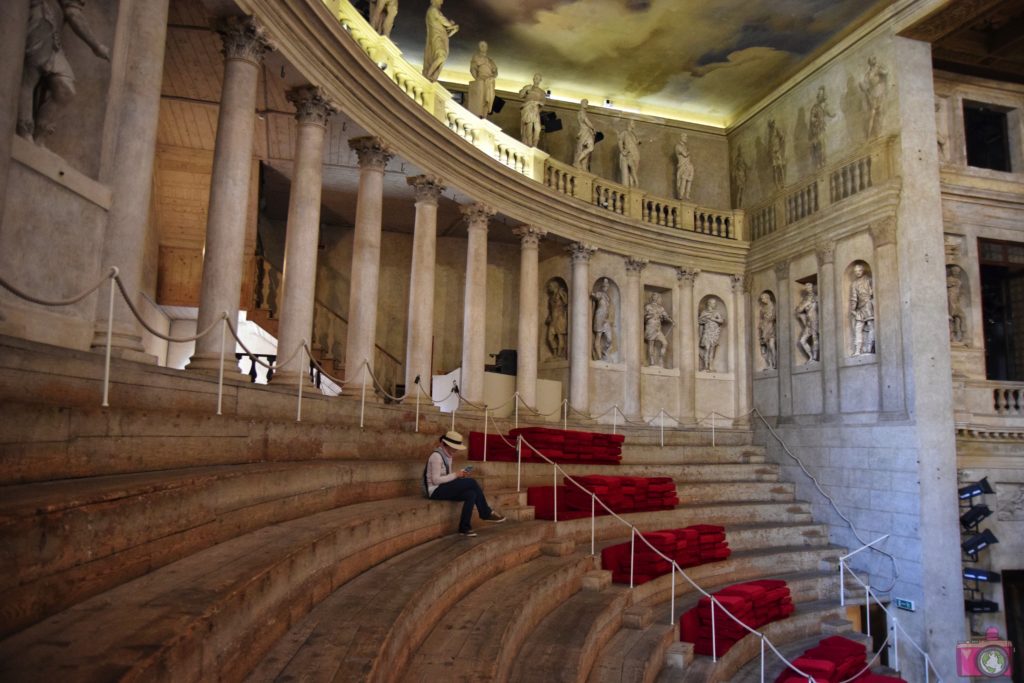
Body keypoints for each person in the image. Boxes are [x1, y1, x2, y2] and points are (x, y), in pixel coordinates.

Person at [18, 0, 111, 146]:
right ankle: (24, 134)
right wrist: (96, 46)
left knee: (65, 90)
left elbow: (72, 10)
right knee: (29, 79)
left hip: (54, 31)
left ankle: (38, 139)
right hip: (41, 19)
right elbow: (73, 13)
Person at [424, 430, 505, 537]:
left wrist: (460, 474)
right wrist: (456, 475)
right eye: (454, 447)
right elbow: (435, 480)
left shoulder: (448, 455)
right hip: (435, 490)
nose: (456, 449)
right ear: (447, 445)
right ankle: (485, 513)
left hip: (443, 487)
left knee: (471, 494)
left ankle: (464, 527)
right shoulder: (436, 457)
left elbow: (447, 475)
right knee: (471, 482)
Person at [422, 0, 458, 83]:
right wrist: (451, 25)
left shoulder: (433, 11)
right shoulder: (433, 10)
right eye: (440, 1)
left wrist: (452, 29)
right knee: (441, 56)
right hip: (436, 37)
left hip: (439, 37)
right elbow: (443, 20)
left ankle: (431, 75)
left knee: (442, 56)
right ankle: (428, 75)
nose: (441, 3)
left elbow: (446, 34)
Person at [860, 56, 889, 139]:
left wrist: (880, 70)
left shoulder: (877, 69)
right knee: (873, 115)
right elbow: (864, 85)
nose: (875, 60)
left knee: (879, 113)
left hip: (879, 92)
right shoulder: (868, 73)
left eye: (875, 59)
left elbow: (886, 72)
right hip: (873, 95)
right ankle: (870, 135)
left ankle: (878, 133)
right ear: (870, 62)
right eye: (873, 59)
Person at [849, 263, 875, 355]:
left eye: (859, 271)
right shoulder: (854, 284)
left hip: (868, 305)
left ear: (863, 270)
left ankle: (869, 348)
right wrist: (853, 309)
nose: (858, 273)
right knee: (857, 328)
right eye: (856, 271)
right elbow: (854, 297)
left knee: (871, 326)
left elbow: (874, 292)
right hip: (860, 308)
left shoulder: (869, 279)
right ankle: (858, 350)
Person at [808, 86, 835, 169]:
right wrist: (817, 121)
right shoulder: (815, 107)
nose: (822, 97)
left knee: (823, 146)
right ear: (818, 98)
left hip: (822, 128)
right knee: (819, 147)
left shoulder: (822, 106)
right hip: (817, 130)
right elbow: (812, 118)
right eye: (820, 96)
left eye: (822, 96)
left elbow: (826, 112)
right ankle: (819, 163)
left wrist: (831, 115)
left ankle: (823, 162)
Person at [468, 41, 497, 118]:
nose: (483, 47)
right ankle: (480, 115)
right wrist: (477, 79)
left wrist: (492, 77)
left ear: (487, 48)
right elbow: (473, 68)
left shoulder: (491, 61)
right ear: (479, 48)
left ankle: (484, 116)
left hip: (490, 81)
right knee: (481, 99)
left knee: (487, 101)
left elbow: (495, 72)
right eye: (481, 46)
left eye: (484, 46)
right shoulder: (476, 57)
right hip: (481, 79)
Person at [644, 292, 673, 367]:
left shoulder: (661, 308)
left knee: (665, 343)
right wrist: (652, 315)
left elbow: (666, 316)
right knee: (651, 344)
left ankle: (661, 359)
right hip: (651, 326)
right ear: (656, 299)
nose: (661, 300)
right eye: (660, 298)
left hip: (658, 328)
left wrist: (671, 321)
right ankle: (652, 362)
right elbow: (645, 317)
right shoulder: (648, 306)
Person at [518, 73, 546, 147]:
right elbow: (520, 96)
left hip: (535, 108)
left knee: (538, 128)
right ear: (533, 79)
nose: (536, 79)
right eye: (535, 77)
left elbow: (543, 102)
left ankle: (535, 143)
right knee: (529, 124)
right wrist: (525, 89)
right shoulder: (528, 87)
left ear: (540, 80)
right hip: (527, 107)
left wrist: (538, 102)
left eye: (538, 78)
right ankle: (529, 143)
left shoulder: (542, 92)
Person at [698, 299, 725, 372]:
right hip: (707, 333)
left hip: (714, 333)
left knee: (712, 350)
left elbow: (721, 321)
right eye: (713, 303)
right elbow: (700, 322)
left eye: (715, 303)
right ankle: (705, 366)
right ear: (709, 304)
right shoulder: (704, 312)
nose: (715, 304)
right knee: (707, 349)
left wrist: (712, 319)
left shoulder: (716, 313)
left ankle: (710, 366)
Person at [591, 277, 614, 361]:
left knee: (609, 339)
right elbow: (593, 295)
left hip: (605, 319)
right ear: (602, 286)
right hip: (599, 317)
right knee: (598, 336)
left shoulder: (607, 296)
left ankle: (605, 352)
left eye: (607, 286)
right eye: (604, 286)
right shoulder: (599, 294)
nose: (606, 287)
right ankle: (599, 357)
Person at [795, 283, 819, 362]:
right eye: (807, 287)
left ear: (812, 288)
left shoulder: (815, 297)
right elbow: (799, 310)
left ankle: (815, 357)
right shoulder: (805, 299)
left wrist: (803, 307)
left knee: (815, 338)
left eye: (810, 287)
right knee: (802, 341)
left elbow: (801, 308)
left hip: (814, 319)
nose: (808, 288)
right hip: (808, 321)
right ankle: (811, 357)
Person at [545, 280, 568, 359]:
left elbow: (566, 302)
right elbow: (550, 309)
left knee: (560, 337)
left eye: (550, 286)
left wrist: (562, 295)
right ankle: (555, 352)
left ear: (554, 286)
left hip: (560, 318)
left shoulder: (561, 293)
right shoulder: (551, 298)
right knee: (549, 338)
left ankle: (559, 355)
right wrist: (549, 316)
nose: (548, 288)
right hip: (553, 319)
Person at [573, 99, 596, 171]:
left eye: (587, 103)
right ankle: (577, 161)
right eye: (585, 102)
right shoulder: (581, 112)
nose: (587, 104)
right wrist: (593, 128)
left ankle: (581, 163)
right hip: (585, 131)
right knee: (588, 147)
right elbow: (586, 120)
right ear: (581, 103)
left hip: (587, 131)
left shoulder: (583, 112)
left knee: (588, 148)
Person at [618, 120, 640, 188]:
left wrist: (637, 142)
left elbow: (634, 143)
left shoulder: (633, 134)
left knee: (634, 171)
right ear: (629, 124)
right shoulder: (624, 133)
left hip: (635, 153)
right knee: (631, 170)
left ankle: (632, 186)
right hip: (629, 153)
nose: (634, 124)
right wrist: (622, 151)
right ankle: (635, 184)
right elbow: (620, 141)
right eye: (633, 123)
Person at [758, 292, 777, 370]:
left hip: (771, 326)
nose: (762, 300)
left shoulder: (773, 306)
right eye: (761, 299)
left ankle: (775, 363)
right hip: (765, 327)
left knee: (772, 346)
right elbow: (762, 319)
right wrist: (761, 325)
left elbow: (774, 317)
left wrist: (770, 318)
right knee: (768, 347)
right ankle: (770, 364)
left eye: (763, 298)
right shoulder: (763, 309)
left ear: (767, 298)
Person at [947, 264, 966, 343]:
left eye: (957, 272)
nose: (956, 273)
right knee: (951, 318)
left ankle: (963, 335)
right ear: (952, 271)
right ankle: (952, 336)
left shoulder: (959, 281)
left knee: (962, 316)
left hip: (956, 300)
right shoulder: (948, 279)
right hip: (950, 299)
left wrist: (961, 293)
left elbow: (960, 291)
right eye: (955, 271)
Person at [675, 133, 695, 199]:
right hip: (682, 166)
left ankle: (687, 195)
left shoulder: (685, 147)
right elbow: (685, 154)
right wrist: (689, 151)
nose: (686, 138)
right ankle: (681, 195)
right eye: (684, 137)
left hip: (688, 165)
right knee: (683, 180)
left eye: (686, 137)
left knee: (689, 180)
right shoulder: (678, 146)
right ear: (680, 137)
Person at [768, 118, 786, 189]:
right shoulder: (770, 133)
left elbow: (782, 138)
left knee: (780, 167)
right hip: (773, 153)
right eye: (771, 125)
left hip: (777, 151)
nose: (772, 126)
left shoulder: (776, 129)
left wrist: (780, 148)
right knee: (775, 169)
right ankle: (777, 185)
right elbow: (770, 144)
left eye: (772, 124)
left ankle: (783, 183)